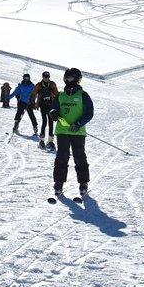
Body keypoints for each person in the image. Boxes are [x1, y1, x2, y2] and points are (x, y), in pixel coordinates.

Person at [47, 67, 94, 199]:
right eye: (66, 78)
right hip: (62, 131)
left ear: (77, 79)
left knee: (79, 156)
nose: (68, 80)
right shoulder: (60, 95)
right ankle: (58, 183)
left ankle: (83, 183)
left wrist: (78, 124)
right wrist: (53, 113)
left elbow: (89, 113)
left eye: (71, 78)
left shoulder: (83, 95)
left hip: (77, 132)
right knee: (62, 156)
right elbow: (53, 109)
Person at [30, 71, 58, 148]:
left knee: (51, 122)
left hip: (51, 105)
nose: (46, 78)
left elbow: (56, 93)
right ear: (42, 77)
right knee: (44, 122)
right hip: (42, 105)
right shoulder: (39, 85)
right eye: (45, 77)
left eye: (48, 77)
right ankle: (41, 140)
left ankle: (50, 141)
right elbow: (34, 93)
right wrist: (32, 101)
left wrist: (59, 102)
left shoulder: (52, 84)